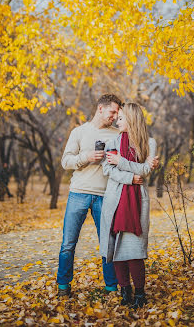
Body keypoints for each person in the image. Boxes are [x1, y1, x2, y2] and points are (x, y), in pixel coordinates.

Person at [57, 94, 122, 297]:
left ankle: (111, 287)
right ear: (100, 109)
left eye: (117, 113)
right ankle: (63, 286)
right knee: (68, 243)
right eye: (112, 112)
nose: (115, 116)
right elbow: (65, 161)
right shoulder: (80, 132)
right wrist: (86, 157)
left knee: (108, 244)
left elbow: (127, 162)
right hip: (78, 193)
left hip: (106, 196)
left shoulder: (118, 135)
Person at [100, 103, 157, 309]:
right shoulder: (112, 141)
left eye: (121, 118)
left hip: (137, 202)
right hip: (115, 200)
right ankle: (125, 291)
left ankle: (140, 294)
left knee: (134, 250)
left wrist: (122, 162)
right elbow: (108, 170)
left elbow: (145, 170)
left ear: (132, 120)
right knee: (116, 250)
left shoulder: (149, 143)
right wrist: (130, 178)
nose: (117, 120)